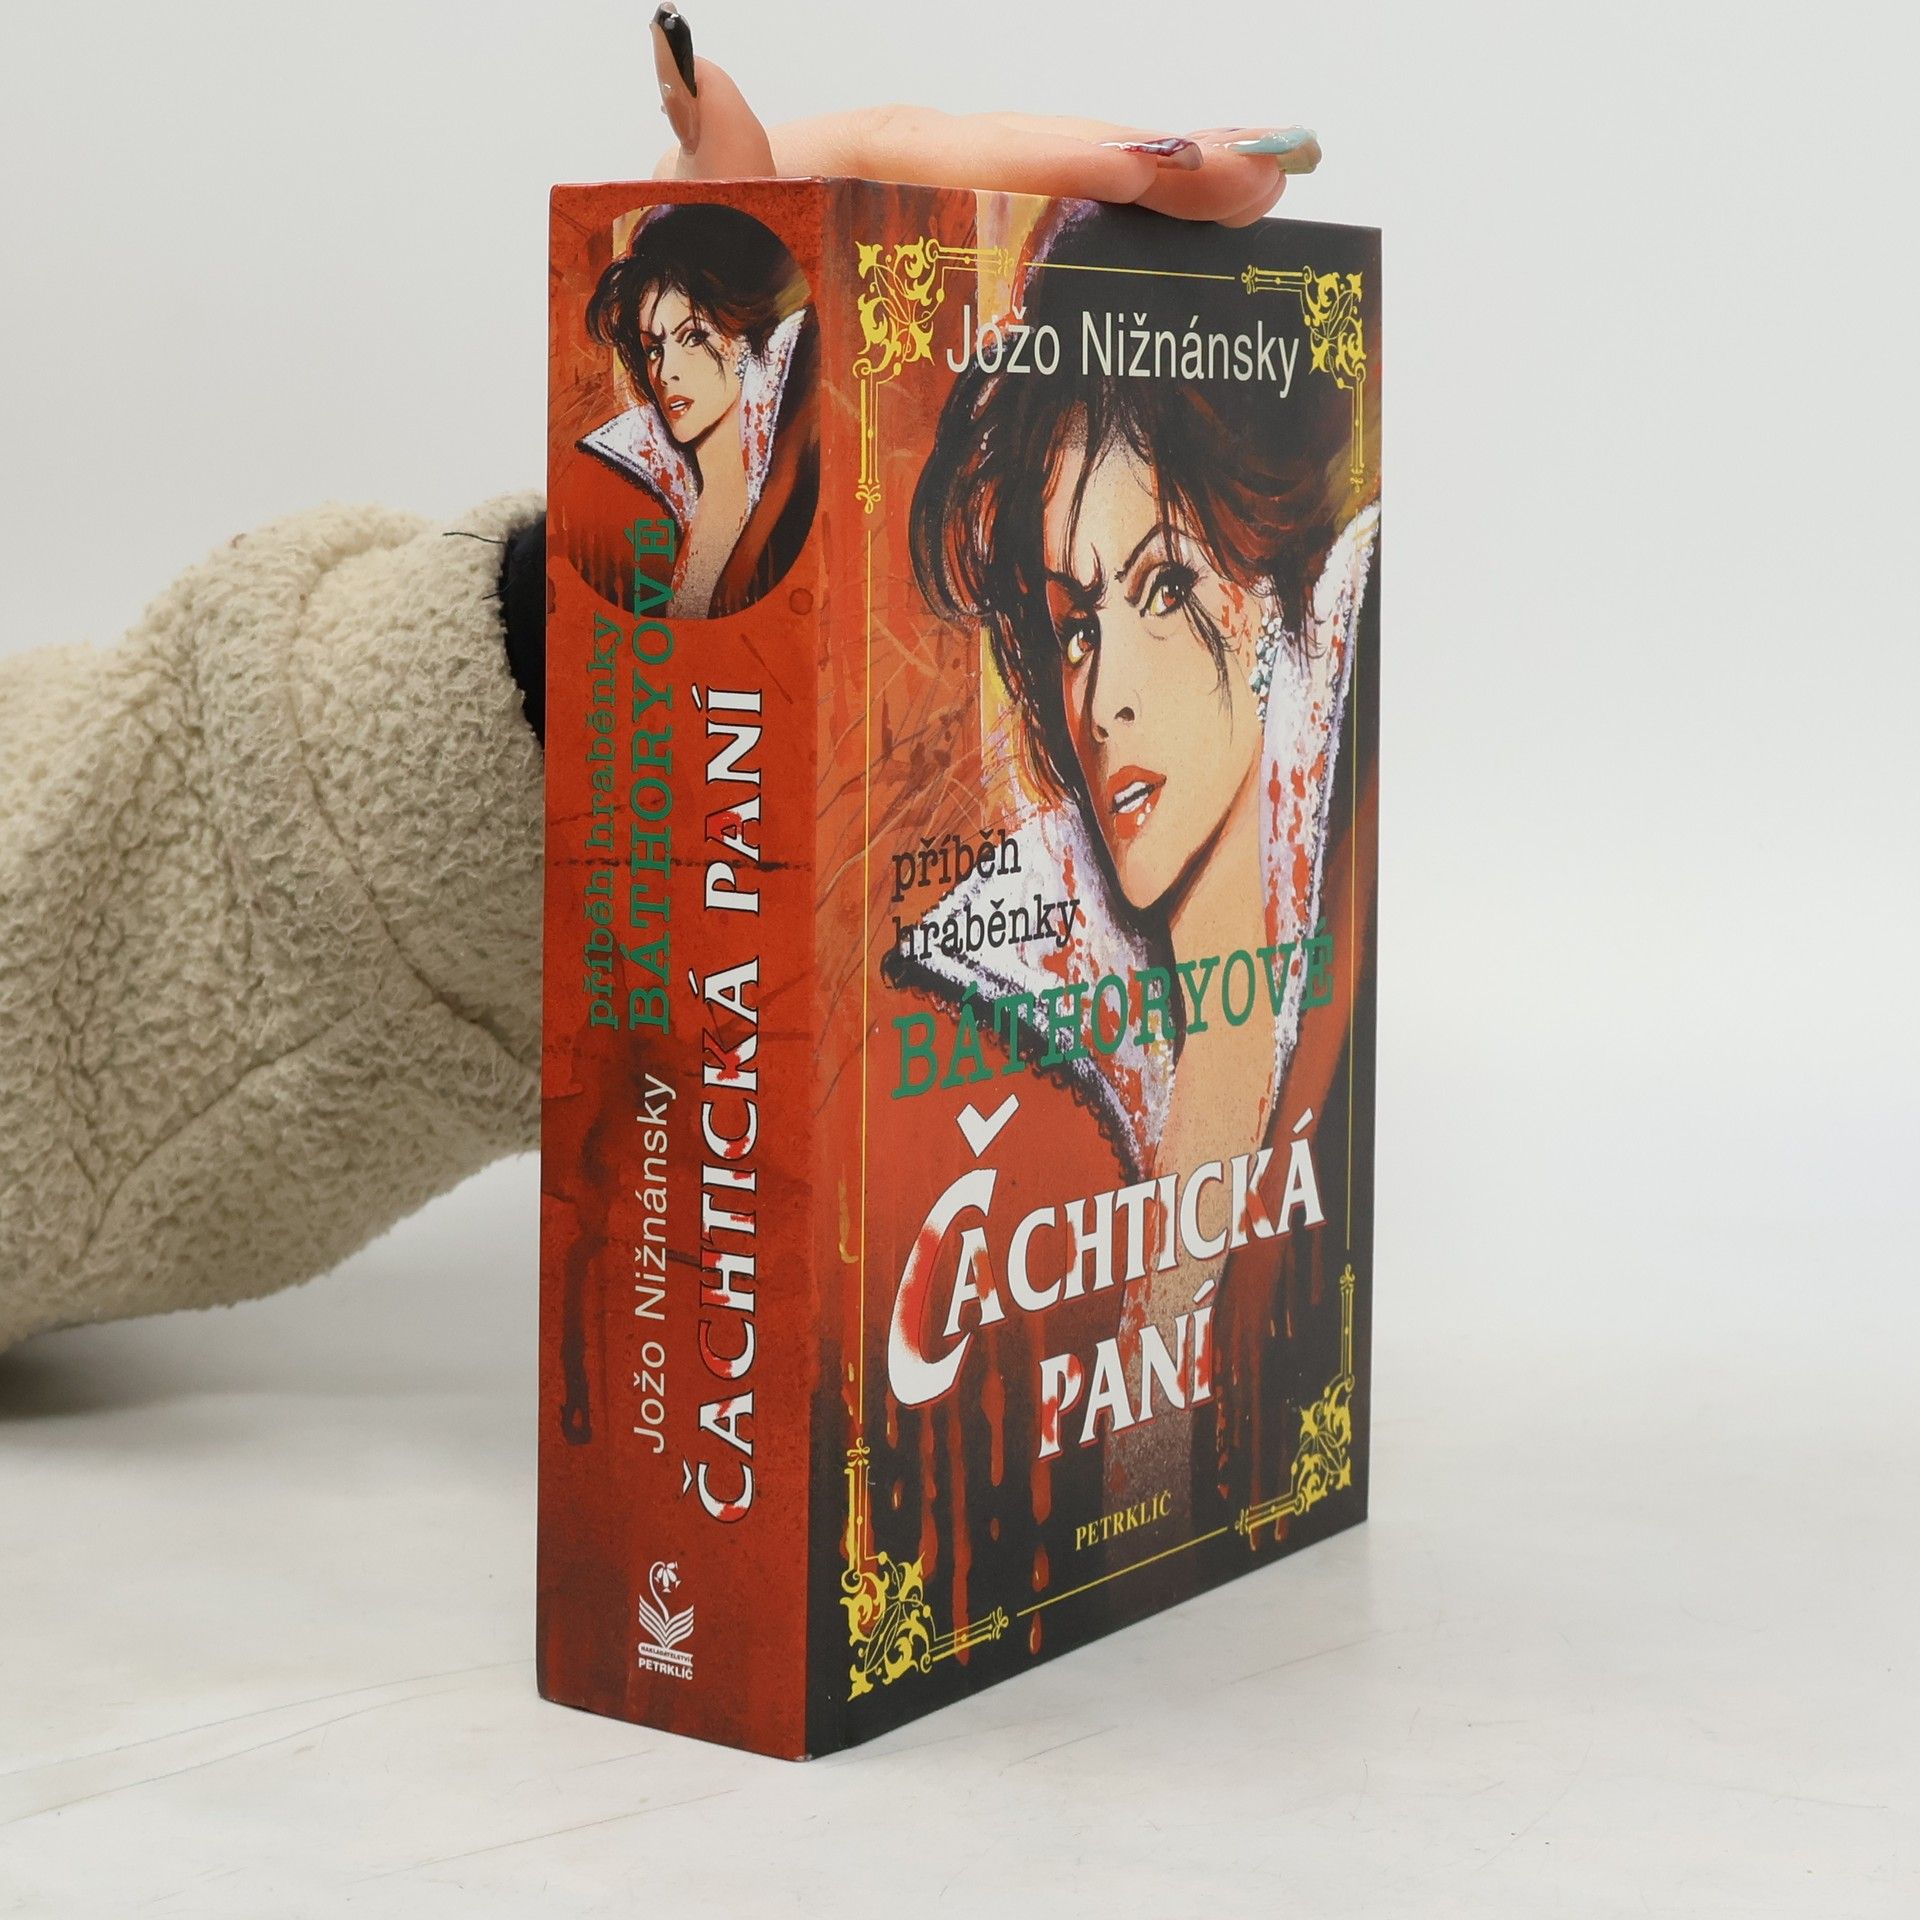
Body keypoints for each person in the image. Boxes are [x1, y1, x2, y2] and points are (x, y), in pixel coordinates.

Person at [0, 4, 1321, 1355]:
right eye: (1070, 621)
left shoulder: (1293, 912)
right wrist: (587, 675)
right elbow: (79, 996)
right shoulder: (990, 1009)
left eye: (1163, 587)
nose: (1100, 697)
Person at [572, 201, 819, 617]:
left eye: (693, 337)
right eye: (654, 348)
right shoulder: (659, 497)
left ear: (743, 339)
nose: (665, 371)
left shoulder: (790, 484)